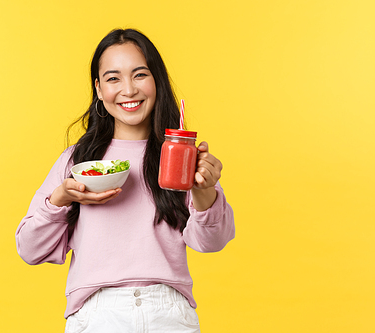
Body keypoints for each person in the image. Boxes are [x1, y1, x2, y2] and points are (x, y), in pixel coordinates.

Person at [15, 28, 235, 333]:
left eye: (140, 75)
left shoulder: (180, 155)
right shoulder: (78, 161)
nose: (128, 90)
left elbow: (213, 243)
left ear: (156, 81)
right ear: (99, 88)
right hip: (96, 313)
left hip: (168, 312)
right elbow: (29, 249)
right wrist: (61, 199)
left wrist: (205, 190)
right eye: (113, 78)